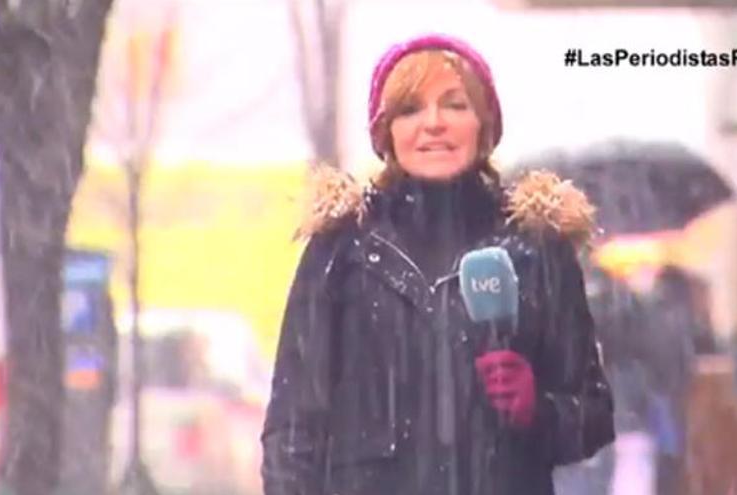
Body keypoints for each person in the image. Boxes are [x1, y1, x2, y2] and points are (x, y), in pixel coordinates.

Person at [261, 33, 615, 495]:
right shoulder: (341, 249)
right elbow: (293, 427)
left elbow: (593, 415)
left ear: (484, 125)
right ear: (386, 131)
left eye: (454, 105)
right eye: (410, 109)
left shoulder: (536, 248)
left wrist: (537, 409)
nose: (433, 124)